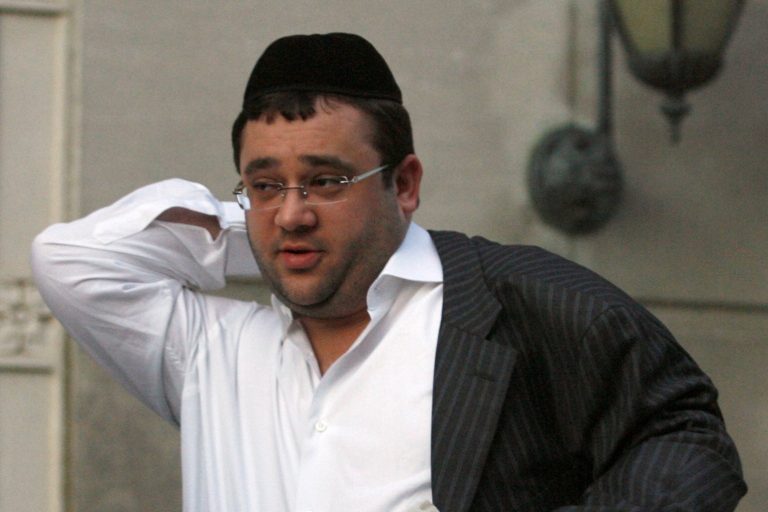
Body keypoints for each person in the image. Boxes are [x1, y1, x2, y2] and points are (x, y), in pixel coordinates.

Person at [31, 33, 745, 512]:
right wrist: (266, 226)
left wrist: (323, 231)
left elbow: (684, 432)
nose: (293, 213)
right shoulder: (212, 353)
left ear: (404, 184)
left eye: (327, 180)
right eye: (265, 183)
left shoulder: (507, 297)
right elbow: (72, 260)